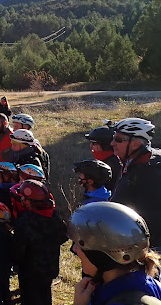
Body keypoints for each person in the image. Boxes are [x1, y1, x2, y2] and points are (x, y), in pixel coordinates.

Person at [69, 202, 161, 305]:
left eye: (80, 245)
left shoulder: (127, 301)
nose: (74, 249)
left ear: (100, 256)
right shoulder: (145, 283)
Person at [11, 179, 67, 305]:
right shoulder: (53, 215)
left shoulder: (25, 221)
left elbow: (18, 252)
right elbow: (64, 236)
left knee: (31, 299)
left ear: (30, 201)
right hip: (50, 268)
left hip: (30, 273)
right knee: (45, 296)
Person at [109, 117, 161, 248]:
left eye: (118, 140)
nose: (112, 143)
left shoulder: (150, 171)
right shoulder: (135, 162)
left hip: (151, 247)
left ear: (135, 144)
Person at [84, 125, 121, 191]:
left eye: (94, 143)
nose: (91, 146)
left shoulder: (114, 163)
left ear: (105, 145)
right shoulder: (105, 159)